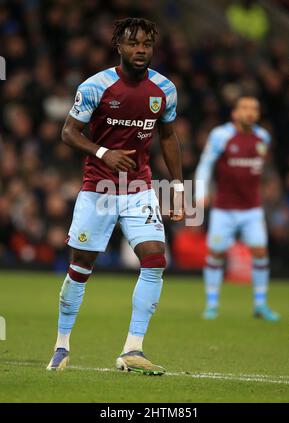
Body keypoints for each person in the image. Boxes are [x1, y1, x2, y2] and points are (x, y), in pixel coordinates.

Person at [47, 18, 184, 374]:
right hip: (100, 188)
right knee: (81, 267)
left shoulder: (164, 89)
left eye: (147, 44)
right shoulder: (96, 86)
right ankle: (62, 345)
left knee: (155, 260)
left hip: (139, 187)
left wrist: (179, 188)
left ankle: (132, 350)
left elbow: (168, 137)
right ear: (118, 46)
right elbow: (68, 132)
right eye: (133, 43)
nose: (141, 50)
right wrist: (104, 153)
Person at [195, 96, 279, 321]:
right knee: (216, 253)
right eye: (244, 108)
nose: (249, 112)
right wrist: (201, 192)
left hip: (252, 208)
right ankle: (211, 305)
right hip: (224, 208)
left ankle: (260, 305)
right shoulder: (221, 135)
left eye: (254, 108)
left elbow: (260, 168)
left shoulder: (263, 137)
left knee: (260, 252)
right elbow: (205, 163)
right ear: (235, 113)